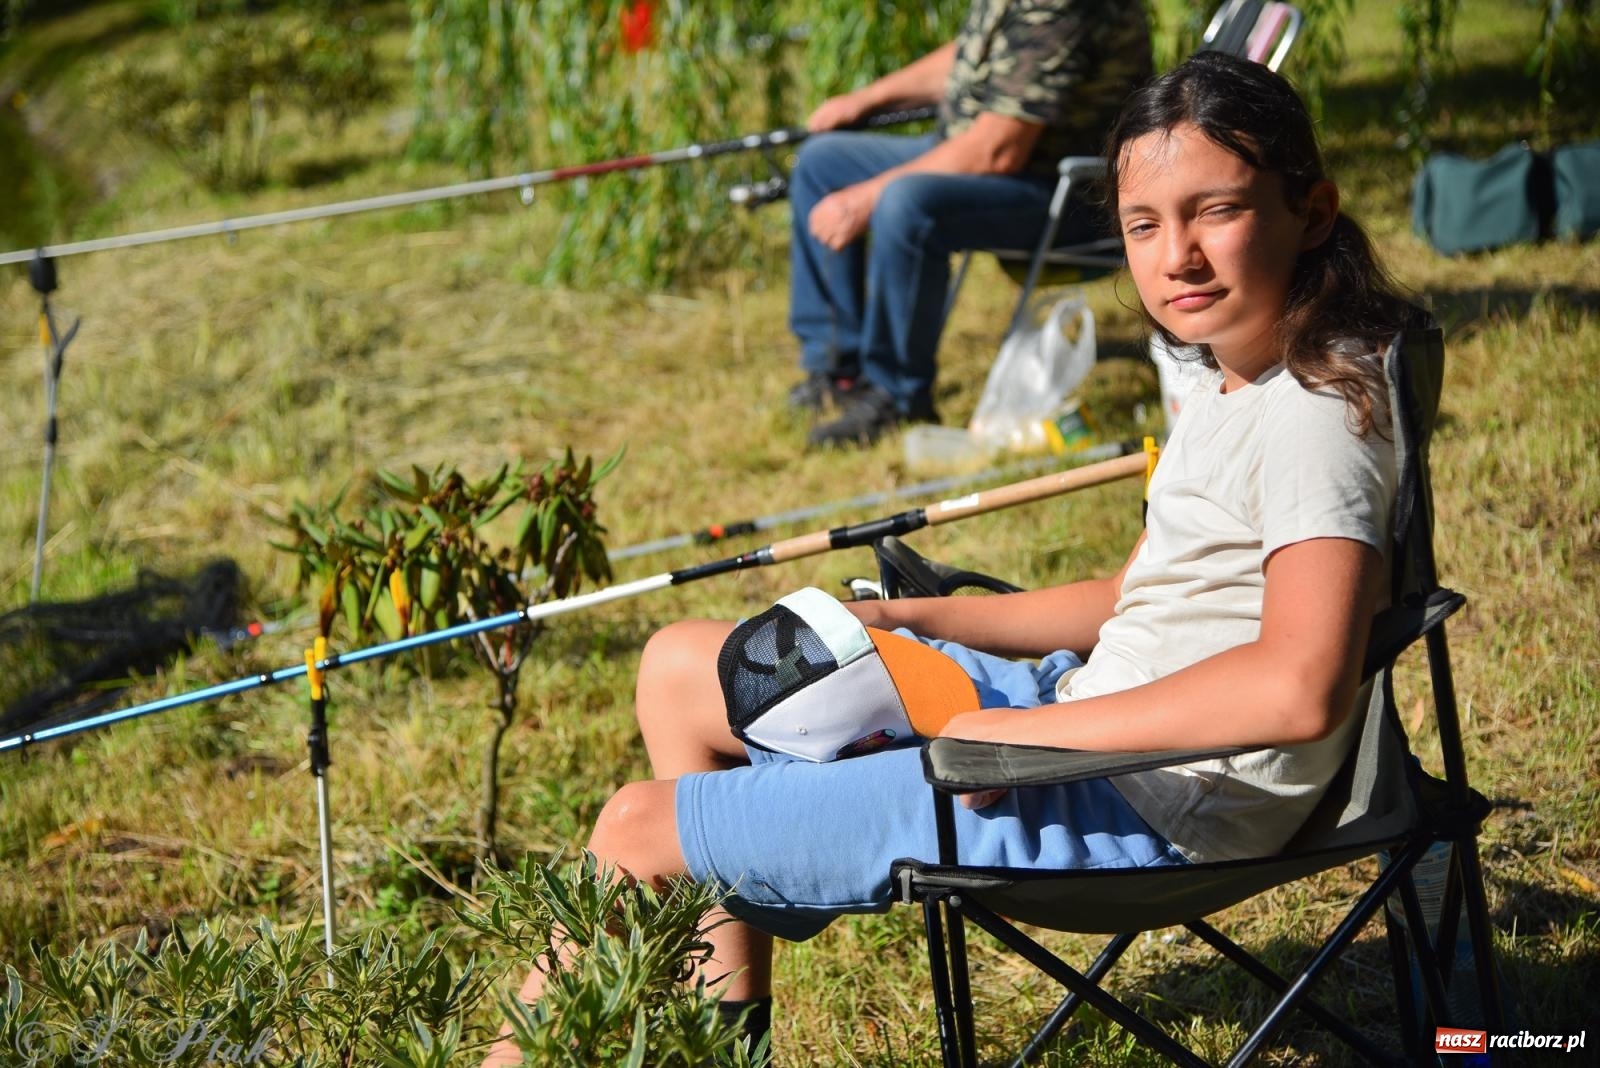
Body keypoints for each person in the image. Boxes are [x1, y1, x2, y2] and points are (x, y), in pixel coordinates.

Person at [481, 50, 1416, 1065]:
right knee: (677, 669)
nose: (1176, 256)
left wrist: (1035, 740)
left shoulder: (1317, 416)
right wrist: (922, 622)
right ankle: (728, 1034)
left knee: (631, 829)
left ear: (1310, 212)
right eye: (1145, 225)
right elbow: (1128, 597)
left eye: (1215, 212)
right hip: (1089, 714)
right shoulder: (1234, 377)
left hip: (1153, 802)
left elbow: (1297, 689)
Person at [790, 0, 1152, 448]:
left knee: (906, 201)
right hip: (993, 162)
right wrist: (867, 98)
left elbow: (998, 150)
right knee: (822, 163)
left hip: (1069, 194)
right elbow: (972, 55)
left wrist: (865, 199)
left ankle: (896, 395)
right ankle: (837, 369)